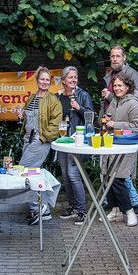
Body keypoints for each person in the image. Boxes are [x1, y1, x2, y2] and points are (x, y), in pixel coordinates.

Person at [101, 45, 138, 213]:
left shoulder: (132, 74)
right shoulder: (109, 74)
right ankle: (118, 207)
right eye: (112, 56)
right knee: (111, 171)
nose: (114, 59)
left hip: (126, 133)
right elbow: (110, 104)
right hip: (111, 130)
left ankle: (132, 205)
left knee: (121, 173)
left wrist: (112, 95)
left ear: (124, 57)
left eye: (118, 56)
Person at [18, 67, 62, 225]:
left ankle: (39, 207)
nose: (44, 82)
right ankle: (43, 209)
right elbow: (26, 117)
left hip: (40, 140)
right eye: (41, 79)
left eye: (47, 80)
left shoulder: (53, 100)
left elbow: (55, 124)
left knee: (23, 172)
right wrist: (21, 115)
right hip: (27, 139)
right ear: (37, 81)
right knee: (32, 174)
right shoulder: (31, 98)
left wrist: (43, 138)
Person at [56, 66, 94, 226]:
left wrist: (80, 108)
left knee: (73, 174)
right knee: (65, 174)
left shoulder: (82, 95)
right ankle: (72, 207)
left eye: (75, 77)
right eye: (70, 77)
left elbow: (91, 117)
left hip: (77, 140)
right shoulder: (58, 97)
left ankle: (82, 211)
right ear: (63, 80)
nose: (73, 80)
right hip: (63, 141)